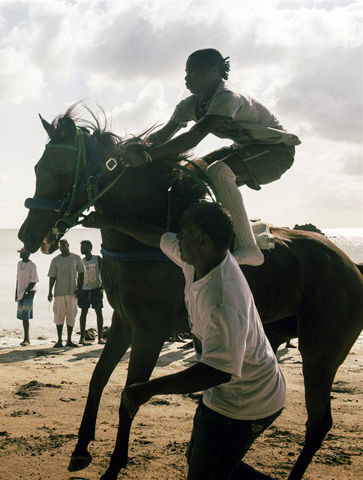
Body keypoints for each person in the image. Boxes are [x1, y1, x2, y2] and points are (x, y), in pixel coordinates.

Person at [85, 201, 286, 479]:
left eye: (183, 233)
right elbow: (156, 236)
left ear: (203, 240)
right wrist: (111, 222)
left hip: (245, 404)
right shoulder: (196, 258)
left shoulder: (221, 298)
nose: (177, 238)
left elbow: (219, 370)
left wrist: (149, 389)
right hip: (227, 398)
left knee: (206, 471)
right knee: (203, 460)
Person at [119, 48, 300, 267]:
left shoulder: (227, 97)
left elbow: (194, 137)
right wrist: (133, 145)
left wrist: (146, 158)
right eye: (186, 72)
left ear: (215, 71)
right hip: (244, 148)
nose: (187, 77)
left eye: (193, 71)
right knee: (188, 176)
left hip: (277, 151)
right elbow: (163, 135)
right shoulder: (190, 105)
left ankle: (250, 250)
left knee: (218, 171)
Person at [47, 239, 84, 348]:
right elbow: (52, 277)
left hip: (72, 292)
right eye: (61, 246)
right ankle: (59, 340)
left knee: (71, 315)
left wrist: (80, 289)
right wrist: (49, 291)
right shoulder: (55, 260)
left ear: (68, 245)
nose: (63, 247)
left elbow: (81, 274)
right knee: (59, 316)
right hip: (59, 292)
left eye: (64, 245)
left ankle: (69, 340)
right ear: (59, 248)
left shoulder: (76, 258)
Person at [78, 240, 105, 345]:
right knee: (83, 312)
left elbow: (103, 274)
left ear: (88, 248)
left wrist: (102, 289)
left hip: (96, 289)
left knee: (99, 312)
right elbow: (79, 278)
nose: (81, 249)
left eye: (83, 247)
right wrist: (79, 290)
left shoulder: (97, 259)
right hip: (84, 290)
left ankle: (100, 338)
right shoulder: (81, 261)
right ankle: (82, 338)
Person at [15, 248, 39, 346]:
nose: (20, 254)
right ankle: (25, 338)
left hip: (29, 292)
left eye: (22, 253)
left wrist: (26, 291)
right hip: (20, 292)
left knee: (25, 316)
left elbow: (34, 281)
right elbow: (17, 279)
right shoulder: (19, 264)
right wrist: (16, 292)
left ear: (27, 254)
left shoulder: (32, 265)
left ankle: (27, 339)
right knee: (22, 316)